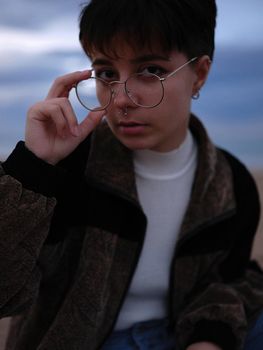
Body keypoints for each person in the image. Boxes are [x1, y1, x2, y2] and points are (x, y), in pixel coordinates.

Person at [0, 0, 263, 349]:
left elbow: (226, 282)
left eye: (151, 70)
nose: (121, 99)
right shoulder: (68, 170)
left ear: (199, 74)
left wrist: (209, 338)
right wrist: (32, 170)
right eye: (107, 73)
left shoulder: (231, 183)